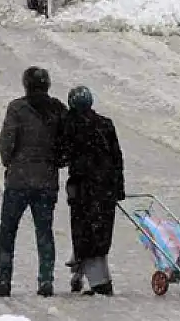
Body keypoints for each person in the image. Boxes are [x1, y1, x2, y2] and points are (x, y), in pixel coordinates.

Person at [0, 66, 68, 298]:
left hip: (18, 180)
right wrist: (55, 163)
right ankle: (46, 280)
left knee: (8, 230)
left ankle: (4, 278)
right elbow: (66, 146)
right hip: (46, 181)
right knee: (44, 231)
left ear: (26, 85)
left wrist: (10, 163)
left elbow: (7, 142)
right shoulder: (58, 110)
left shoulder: (17, 108)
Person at [59, 86, 125, 296]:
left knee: (85, 233)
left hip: (83, 188)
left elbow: (63, 155)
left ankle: (98, 283)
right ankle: (91, 276)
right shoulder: (105, 125)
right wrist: (118, 188)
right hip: (106, 188)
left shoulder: (72, 126)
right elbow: (117, 158)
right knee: (101, 234)